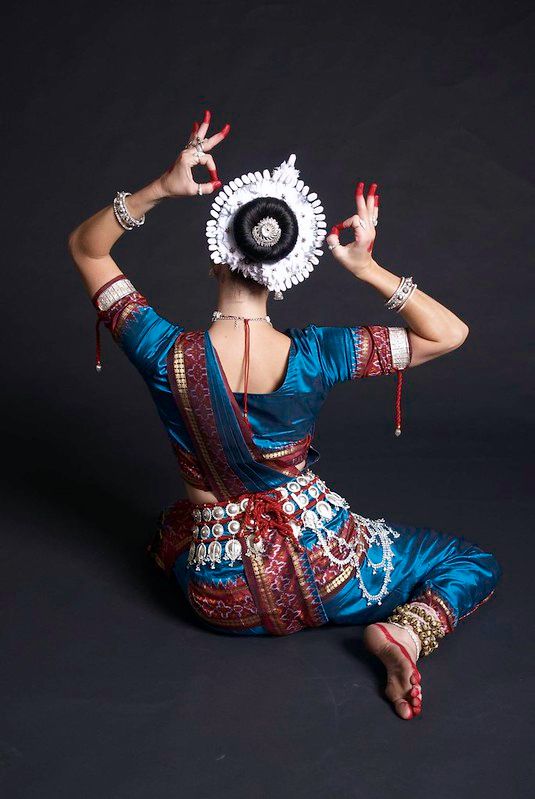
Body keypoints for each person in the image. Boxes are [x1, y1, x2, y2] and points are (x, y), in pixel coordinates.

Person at [68, 109, 501, 721]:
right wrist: (367, 267)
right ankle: (404, 633)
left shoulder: (162, 349)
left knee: (169, 531)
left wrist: (163, 188)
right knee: (469, 562)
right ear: (287, 270)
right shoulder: (321, 353)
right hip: (328, 570)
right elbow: (449, 334)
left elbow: (86, 250)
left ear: (217, 254)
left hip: (217, 598)